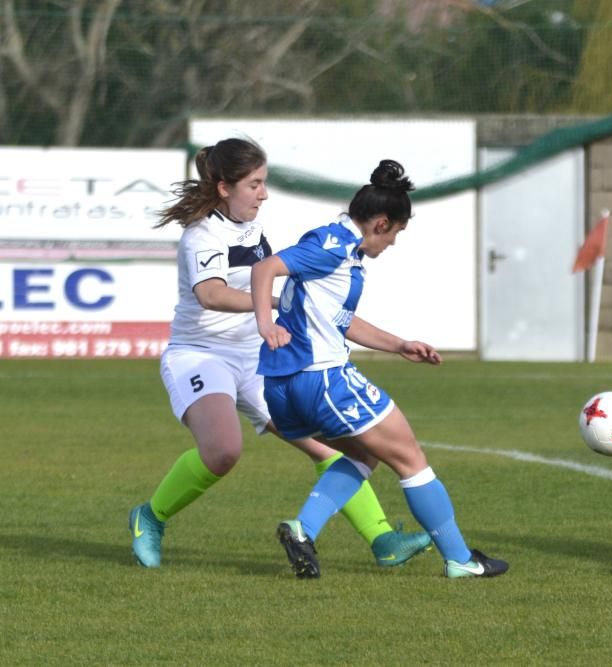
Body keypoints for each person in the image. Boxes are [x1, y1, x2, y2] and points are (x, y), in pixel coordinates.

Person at [129, 138, 431, 570]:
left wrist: (397, 343)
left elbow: (312, 305)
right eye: (254, 184)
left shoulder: (252, 232)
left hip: (259, 355)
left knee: (339, 447)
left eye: (264, 182)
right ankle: (149, 517)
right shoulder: (201, 236)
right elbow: (211, 294)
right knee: (223, 451)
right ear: (224, 188)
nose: (264, 193)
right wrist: (270, 303)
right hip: (201, 355)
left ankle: (382, 539)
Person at [252, 159, 508, 579]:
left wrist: (399, 345)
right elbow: (265, 269)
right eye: (395, 235)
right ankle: (461, 559)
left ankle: (303, 529)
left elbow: (338, 320)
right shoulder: (333, 245)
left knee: (364, 455)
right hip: (322, 378)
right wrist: (266, 323)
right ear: (381, 224)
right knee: (411, 459)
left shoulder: (338, 250)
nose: (391, 245)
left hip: (285, 385)